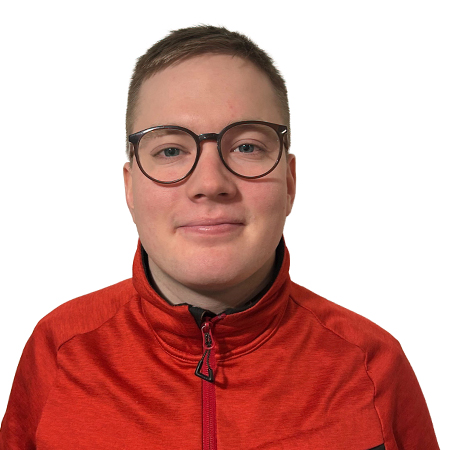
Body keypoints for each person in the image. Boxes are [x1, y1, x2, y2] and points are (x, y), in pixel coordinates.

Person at [0, 25, 439, 450]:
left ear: (289, 182)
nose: (210, 183)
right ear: (130, 187)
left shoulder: (372, 365)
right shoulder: (58, 350)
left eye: (247, 147)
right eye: (170, 150)